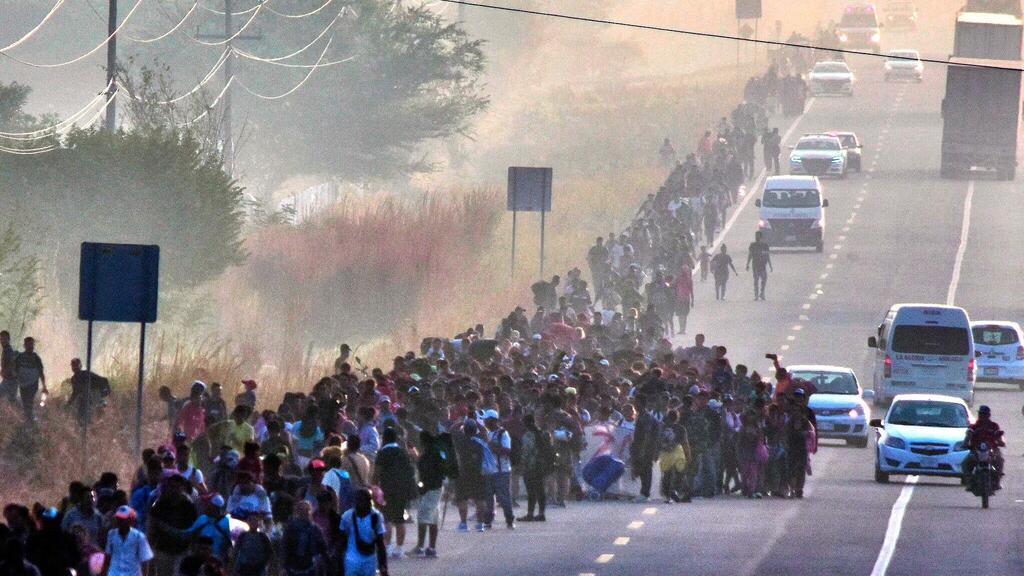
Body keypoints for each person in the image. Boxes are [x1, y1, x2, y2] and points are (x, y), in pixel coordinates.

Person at [373, 427, 417, 558]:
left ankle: (387, 546)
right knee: (399, 519)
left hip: (386, 489)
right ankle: (399, 548)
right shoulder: (402, 452)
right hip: (401, 489)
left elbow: (377, 472)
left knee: (386, 518)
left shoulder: (382, 453)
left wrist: (373, 486)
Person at [412, 430, 456, 557]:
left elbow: (425, 469)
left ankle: (420, 547)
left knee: (423, 516)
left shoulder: (430, 453)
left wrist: (416, 458)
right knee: (433, 518)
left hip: (431, 488)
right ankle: (431, 548)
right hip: (436, 487)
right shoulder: (436, 451)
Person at [338, 489, 389, 576]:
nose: (361, 504)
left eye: (363, 500)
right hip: (353, 561)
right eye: (359, 500)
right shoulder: (347, 517)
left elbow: (380, 543)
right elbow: (341, 541)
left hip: (368, 561)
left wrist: (383, 565)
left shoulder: (376, 517)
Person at [481, 409, 515, 530]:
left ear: (493, 420)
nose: (485, 422)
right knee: (489, 498)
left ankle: (509, 520)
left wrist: (491, 445)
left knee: (504, 497)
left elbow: (507, 450)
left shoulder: (503, 434)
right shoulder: (487, 434)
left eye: (487, 420)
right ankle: (488, 520)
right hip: (489, 471)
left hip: (502, 470)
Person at [517, 414, 552, 522]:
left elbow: (526, 452)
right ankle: (541, 513)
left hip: (531, 466)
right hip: (543, 465)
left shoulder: (527, 435)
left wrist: (521, 465)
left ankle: (530, 513)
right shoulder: (544, 433)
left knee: (531, 491)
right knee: (541, 490)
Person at [103, 507, 154, 576]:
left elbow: (145, 560)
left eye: (123, 520)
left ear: (130, 521)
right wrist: (103, 573)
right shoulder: (111, 534)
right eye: (118, 519)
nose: (119, 521)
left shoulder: (139, 537)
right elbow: (108, 556)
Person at [963, 405, 1005, 488]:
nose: (983, 416)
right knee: (965, 463)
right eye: (981, 414)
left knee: (1000, 460)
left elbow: (999, 437)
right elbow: (968, 436)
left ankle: (997, 480)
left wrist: (1001, 442)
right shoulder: (973, 426)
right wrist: (965, 444)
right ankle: (969, 482)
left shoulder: (994, 426)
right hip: (976, 450)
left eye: (985, 414)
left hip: (991, 449)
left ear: (989, 415)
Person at [281, 502, 327, 576]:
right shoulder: (290, 528)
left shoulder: (315, 529)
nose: (305, 513)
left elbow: (323, 548)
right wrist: (284, 567)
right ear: (297, 512)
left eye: (307, 510)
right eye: (302, 510)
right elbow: (285, 548)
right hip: (293, 568)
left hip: (310, 567)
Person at [630, 395, 660, 503]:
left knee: (646, 470)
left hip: (646, 448)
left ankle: (645, 493)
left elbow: (647, 434)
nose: (635, 405)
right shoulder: (641, 416)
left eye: (637, 403)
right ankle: (644, 492)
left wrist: (643, 450)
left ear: (642, 404)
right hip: (642, 447)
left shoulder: (646, 417)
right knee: (642, 470)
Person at [66, 358, 110, 427]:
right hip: (84, 401)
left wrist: (106, 392)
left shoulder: (86, 374)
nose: (74, 368)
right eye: (73, 366)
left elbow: (104, 380)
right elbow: (75, 393)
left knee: (89, 417)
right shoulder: (74, 379)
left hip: (92, 399)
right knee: (81, 420)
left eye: (76, 365)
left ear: (80, 366)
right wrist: (68, 403)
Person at [14, 336, 46, 421]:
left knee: (29, 401)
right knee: (25, 402)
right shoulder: (19, 357)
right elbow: (14, 370)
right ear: (24, 346)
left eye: (31, 345)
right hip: (23, 384)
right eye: (28, 345)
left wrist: (44, 386)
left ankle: (31, 418)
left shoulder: (36, 358)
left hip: (33, 384)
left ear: (33, 346)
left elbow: (41, 373)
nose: (30, 347)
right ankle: (28, 418)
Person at [746, 230, 773, 301]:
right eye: (756, 236)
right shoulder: (753, 245)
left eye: (758, 236)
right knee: (756, 280)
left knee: (764, 279)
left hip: (762, 265)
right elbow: (750, 255)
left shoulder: (765, 245)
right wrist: (747, 264)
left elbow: (767, 255)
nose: (756, 238)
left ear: (761, 237)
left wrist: (770, 265)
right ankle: (756, 295)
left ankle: (762, 293)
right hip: (755, 265)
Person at [0, 331, 16, 406]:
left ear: (8, 339)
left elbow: (12, 364)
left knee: (12, 401)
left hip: (10, 380)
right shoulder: (5, 350)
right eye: (1, 339)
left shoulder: (8, 350)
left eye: (4, 339)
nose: (2, 341)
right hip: (9, 380)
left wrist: (4, 371)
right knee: (12, 401)